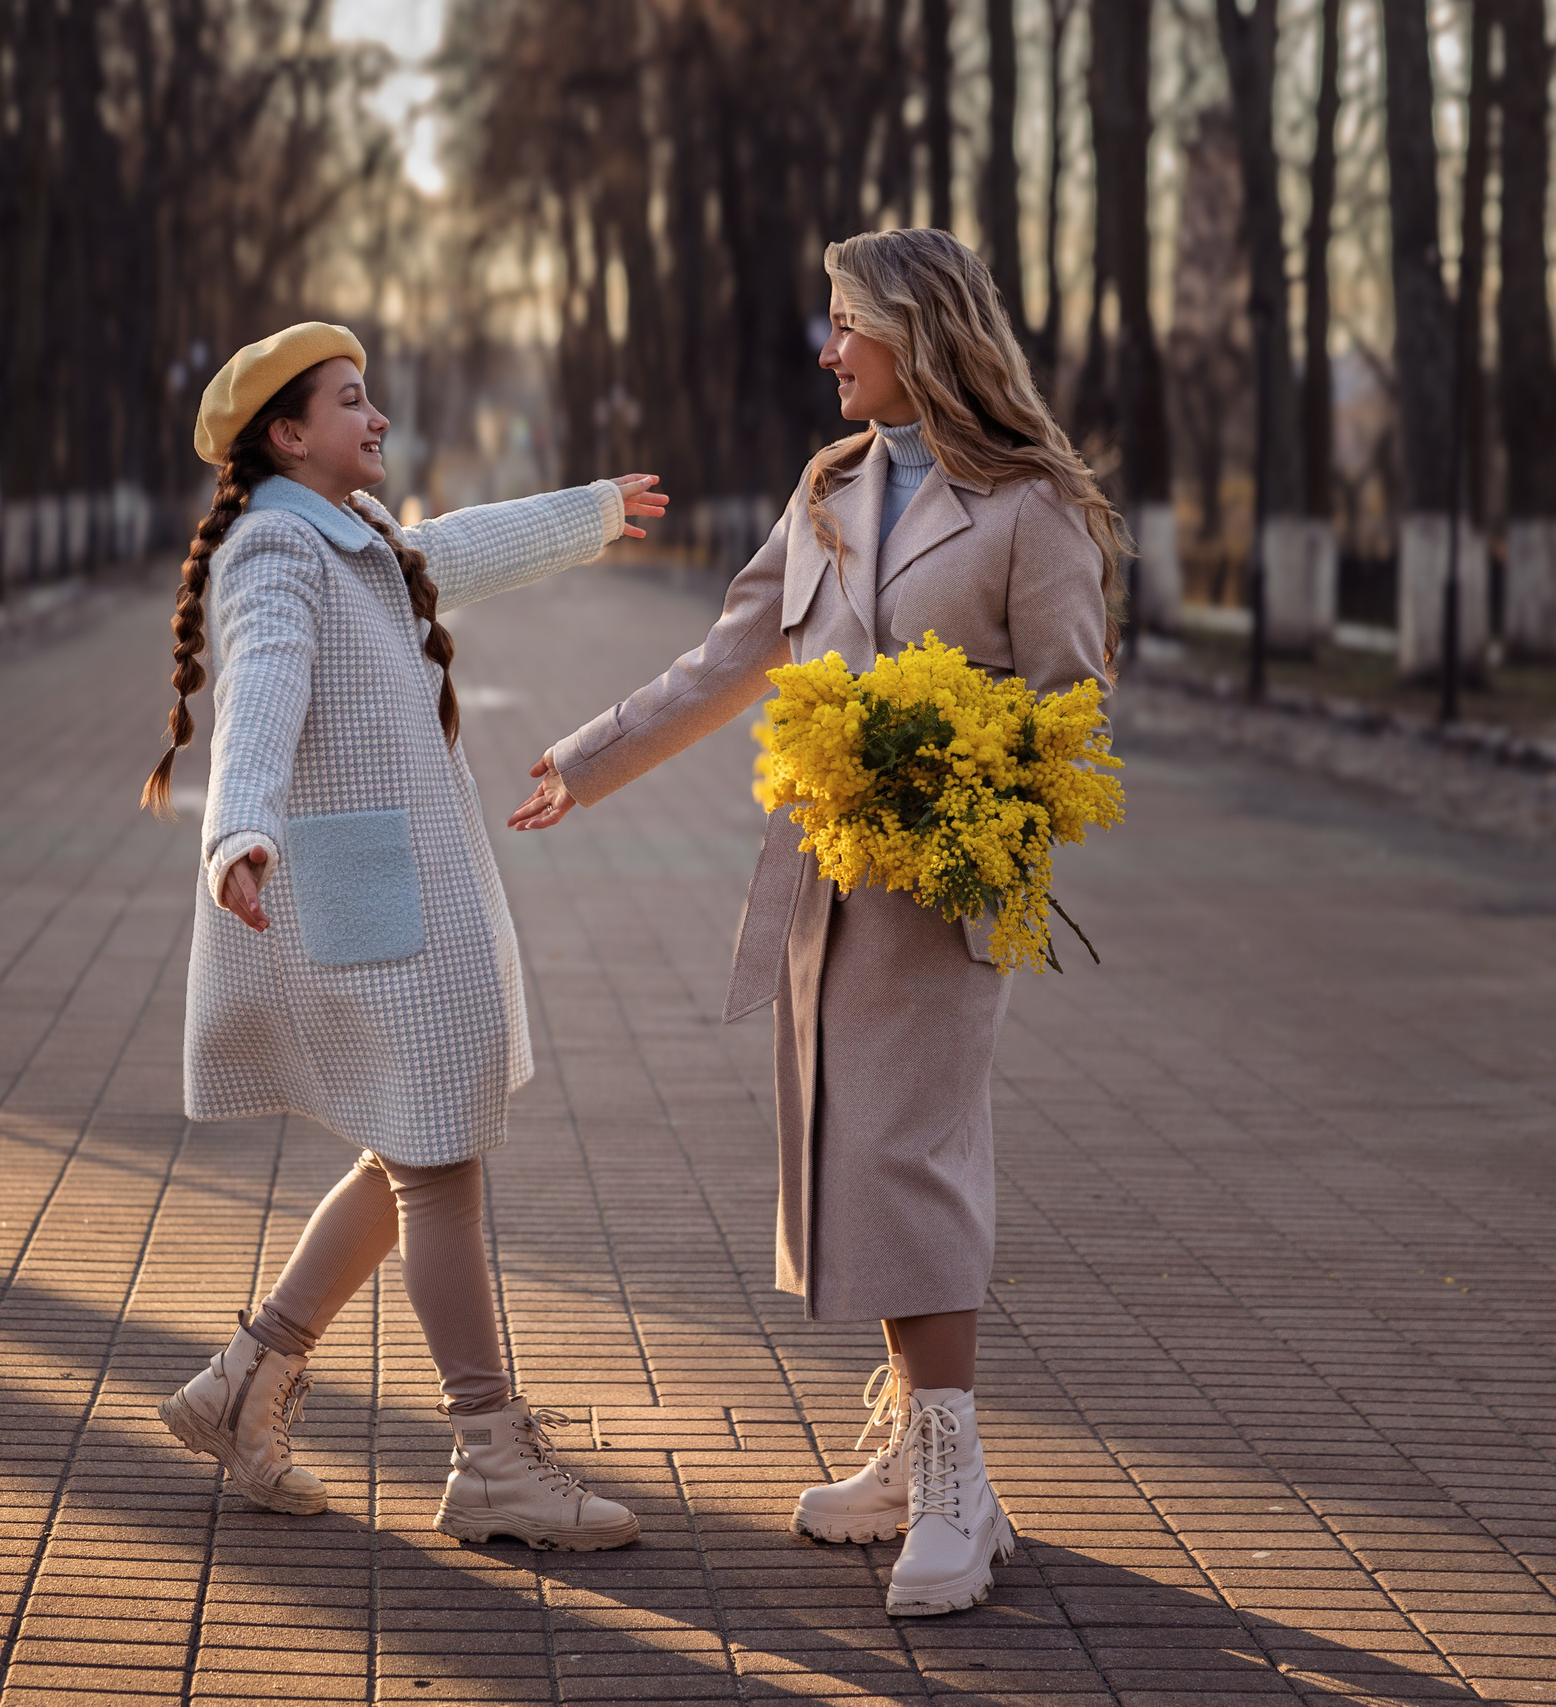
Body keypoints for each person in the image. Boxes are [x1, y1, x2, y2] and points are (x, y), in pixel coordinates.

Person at [507, 229, 1122, 1614]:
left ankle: (957, 1483)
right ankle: (914, 1456)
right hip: (825, 874)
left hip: (950, 888)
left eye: (845, 323)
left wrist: (956, 769)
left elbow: (1075, 708)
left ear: (918, 330)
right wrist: (590, 756)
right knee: (855, 1148)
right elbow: (734, 650)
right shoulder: (833, 486)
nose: (828, 349)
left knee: (913, 1156)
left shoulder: (1030, 504)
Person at [146, 322, 669, 1550]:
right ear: (287, 434)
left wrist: (590, 511)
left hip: (389, 902)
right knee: (437, 1165)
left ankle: (244, 1383)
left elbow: (453, 547)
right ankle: (490, 1454)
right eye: (350, 401)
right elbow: (260, 690)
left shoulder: (357, 536)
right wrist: (238, 831)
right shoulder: (276, 550)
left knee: (410, 1157)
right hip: (365, 909)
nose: (374, 419)